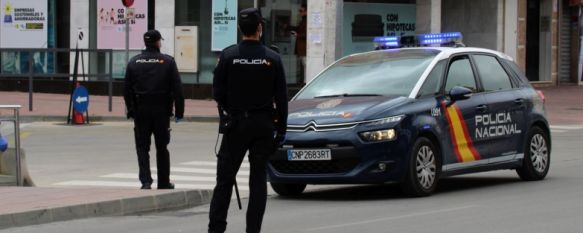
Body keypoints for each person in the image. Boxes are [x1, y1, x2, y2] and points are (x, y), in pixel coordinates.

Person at [208, 8, 288, 233]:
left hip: (236, 125)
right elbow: (282, 99)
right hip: (263, 126)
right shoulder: (273, 58)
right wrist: (281, 131)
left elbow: (217, 92)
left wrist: (230, 111)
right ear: (260, 29)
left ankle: (216, 229)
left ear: (239, 29)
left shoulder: (228, 55)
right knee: (258, 181)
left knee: (224, 180)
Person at [123, 29, 184, 190]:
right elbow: (177, 89)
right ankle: (163, 181)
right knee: (162, 147)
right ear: (158, 42)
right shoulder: (168, 62)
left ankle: (146, 181)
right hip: (161, 111)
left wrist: (130, 109)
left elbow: (126, 89)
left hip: (141, 111)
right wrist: (179, 113)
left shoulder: (134, 62)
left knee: (142, 147)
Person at [286, 4, 307, 84]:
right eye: (299, 11)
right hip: (302, 48)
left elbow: (307, 34)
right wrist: (288, 27)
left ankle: (305, 82)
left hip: (304, 48)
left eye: (301, 11)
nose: (299, 13)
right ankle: (305, 81)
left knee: (305, 65)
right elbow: (298, 28)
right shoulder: (303, 20)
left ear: (306, 11)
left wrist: (297, 35)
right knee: (304, 64)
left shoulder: (307, 20)